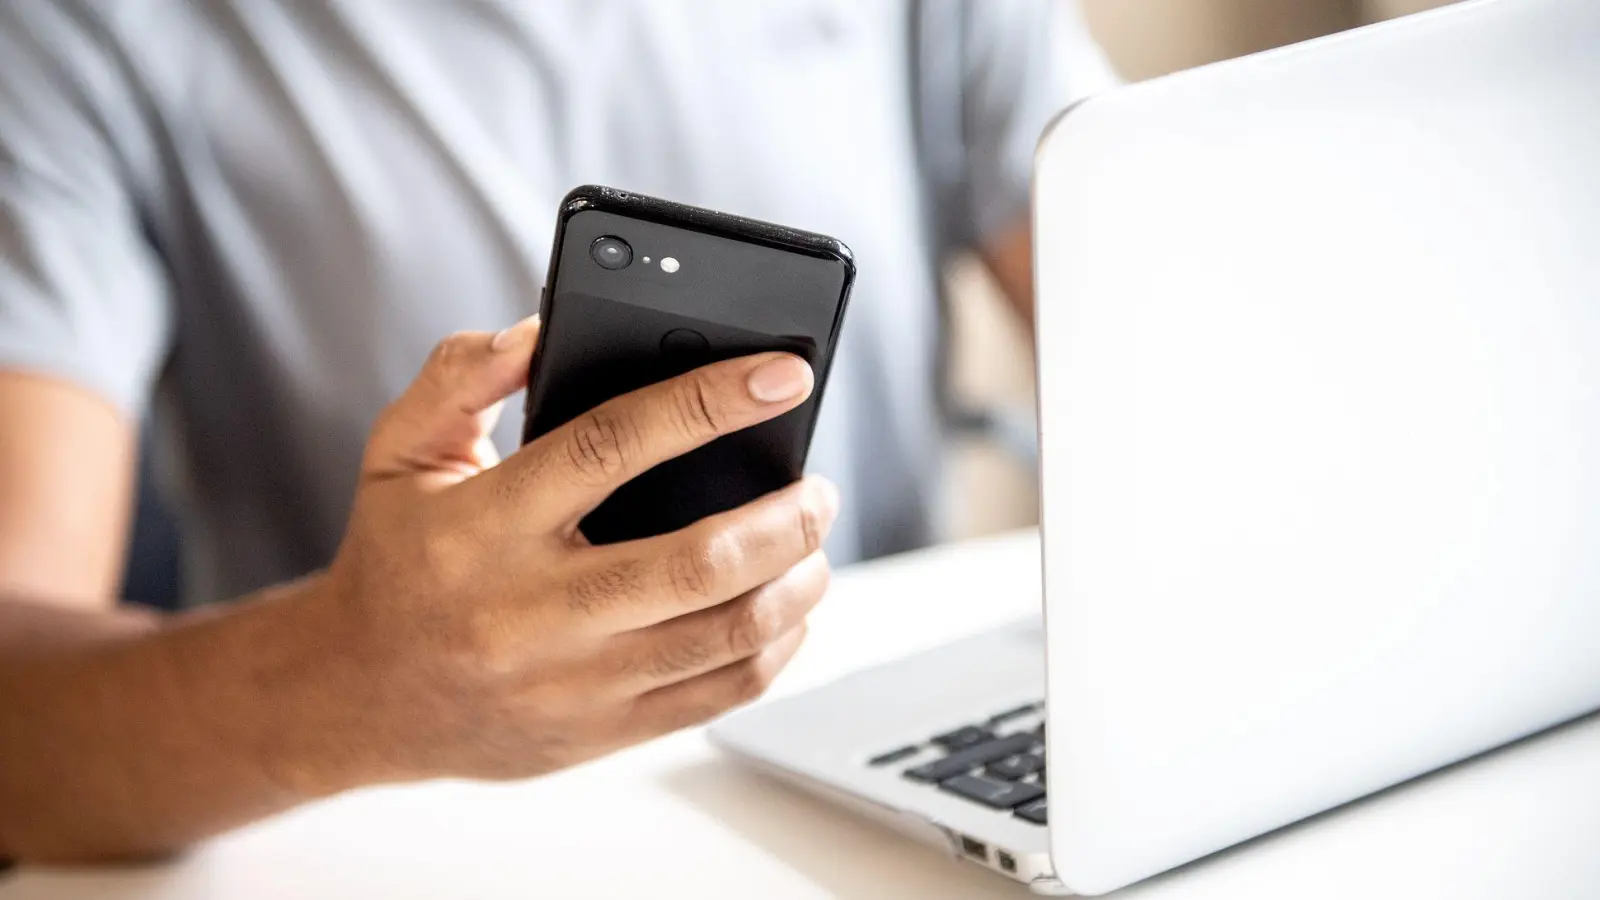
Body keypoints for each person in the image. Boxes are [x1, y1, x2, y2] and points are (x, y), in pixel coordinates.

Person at [0, 0, 1117, 862]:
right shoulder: (75, 38)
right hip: (396, 835)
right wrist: (347, 681)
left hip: (881, 773)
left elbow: (1159, 342)